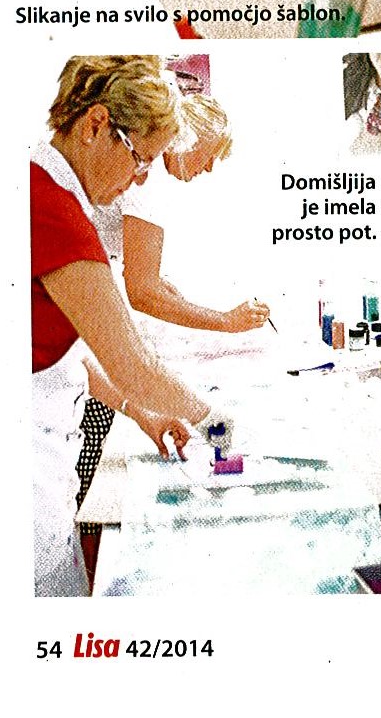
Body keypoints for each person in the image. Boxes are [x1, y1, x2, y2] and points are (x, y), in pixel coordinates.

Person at [32, 56, 221, 595]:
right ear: (96, 125)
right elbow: (134, 365)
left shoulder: (47, 191)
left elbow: (70, 358)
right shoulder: (52, 211)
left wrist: (145, 414)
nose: (140, 178)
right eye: (140, 159)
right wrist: (220, 425)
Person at [76, 91, 270, 520]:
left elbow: (141, 280)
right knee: (89, 438)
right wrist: (226, 322)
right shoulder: (149, 182)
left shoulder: (145, 175)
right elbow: (142, 294)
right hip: (67, 335)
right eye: (210, 155)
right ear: (188, 138)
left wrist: (160, 288)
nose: (209, 168)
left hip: (77, 316)